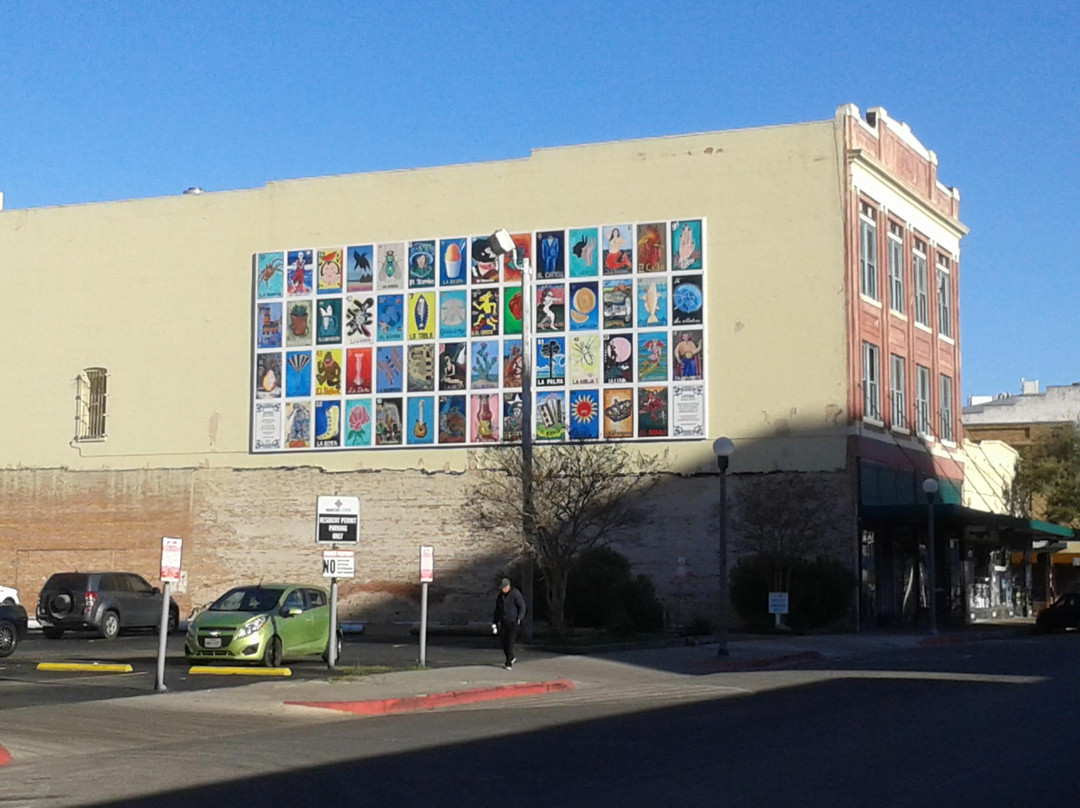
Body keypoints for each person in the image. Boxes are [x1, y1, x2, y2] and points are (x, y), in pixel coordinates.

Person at [491, 577, 526, 670]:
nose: (503, 589)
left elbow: (522, 606)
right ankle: (511, 657)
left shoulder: (515, 594)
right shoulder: (500, 596)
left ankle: (508, 662)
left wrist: (519, 618)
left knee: (510, 641)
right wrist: (495, 622)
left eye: (504, 588)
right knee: (504, 642)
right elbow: (497, 610)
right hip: (504, 621)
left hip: (513, 621)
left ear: (508, 586)